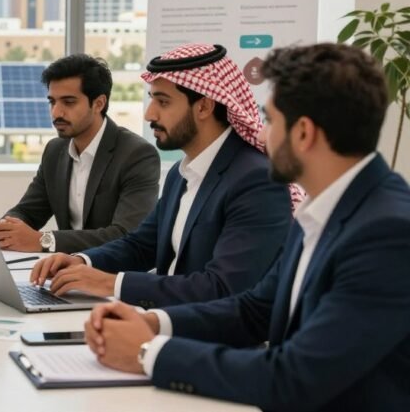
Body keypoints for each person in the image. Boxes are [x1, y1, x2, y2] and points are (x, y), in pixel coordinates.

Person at [83, 42, 410, 410]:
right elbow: (255, 310)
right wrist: (152, 323)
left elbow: (294, 377)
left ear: (303, 133)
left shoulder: (387, 233)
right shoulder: (324, 208)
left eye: (270, 120)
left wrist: (147, 353)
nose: (261, 134)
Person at [31, 44, 295, 308]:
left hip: (214, 341)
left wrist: (111, 284)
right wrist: (81, 261)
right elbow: (142, 245)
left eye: (163, 102)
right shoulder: (181, 173)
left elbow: (224, 288)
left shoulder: (256, 179)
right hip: (172, 323)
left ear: (203, 106)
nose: (149, 114)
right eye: (152, 99)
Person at [0, 54, 160, 253]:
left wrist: (45, 240)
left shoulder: (137, 154)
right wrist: (7, 228)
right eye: (52, 102)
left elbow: (126, 234)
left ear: (99, 103)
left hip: (110, 275)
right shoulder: (54, 151)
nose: (56, 112)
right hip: (61, 271)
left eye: (69, 102)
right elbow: (28, 211)